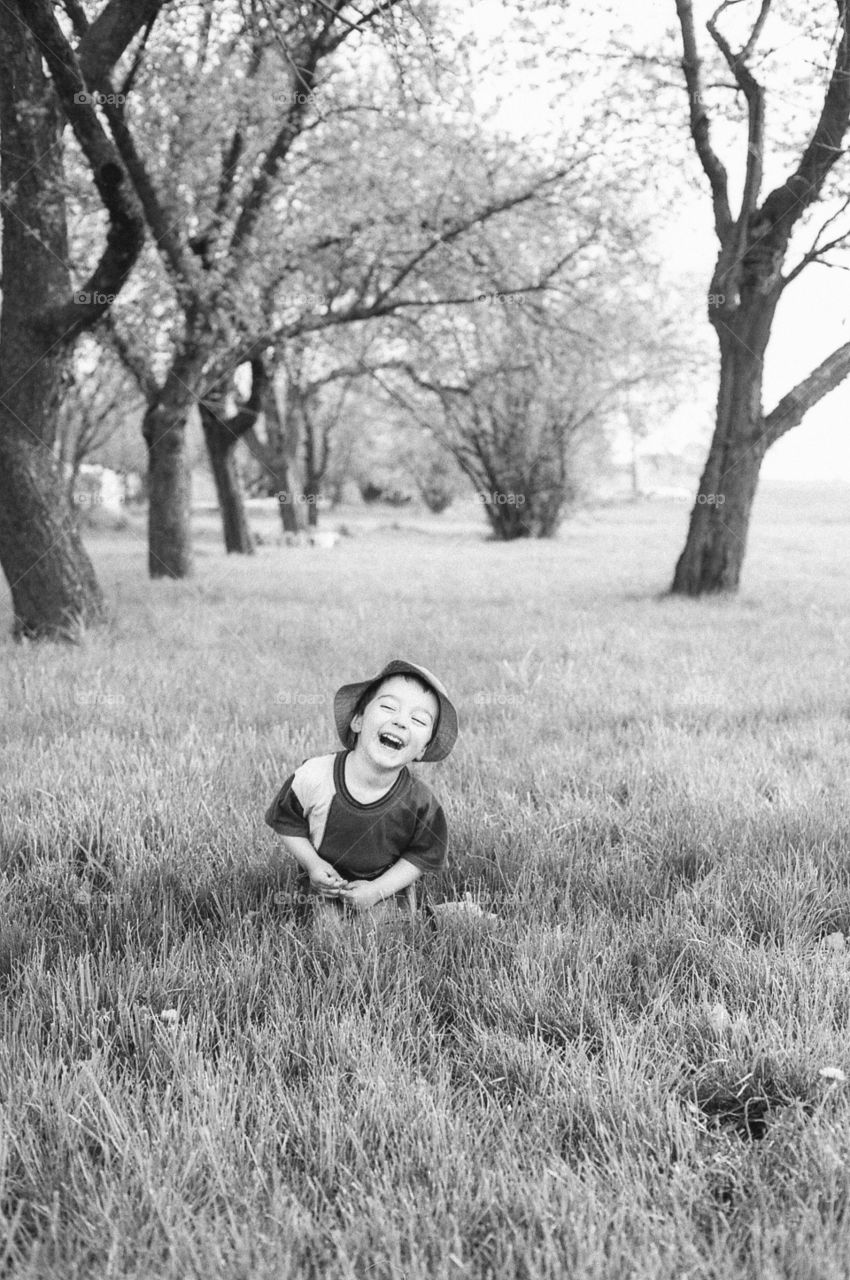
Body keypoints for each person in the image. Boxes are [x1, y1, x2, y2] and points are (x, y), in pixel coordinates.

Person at [266, 658, 458, 917]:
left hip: (386, 887)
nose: (401, 721)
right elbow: (286, 822)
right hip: (327, 884)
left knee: (386, 938)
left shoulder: (419, 802)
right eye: (389, 706)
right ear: (358, 720)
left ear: (422, 749)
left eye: (419, 720)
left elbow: (422, 855)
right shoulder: (314, 776)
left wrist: (377, 890)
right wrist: (313, 865)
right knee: (325, 940)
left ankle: (447, 915)